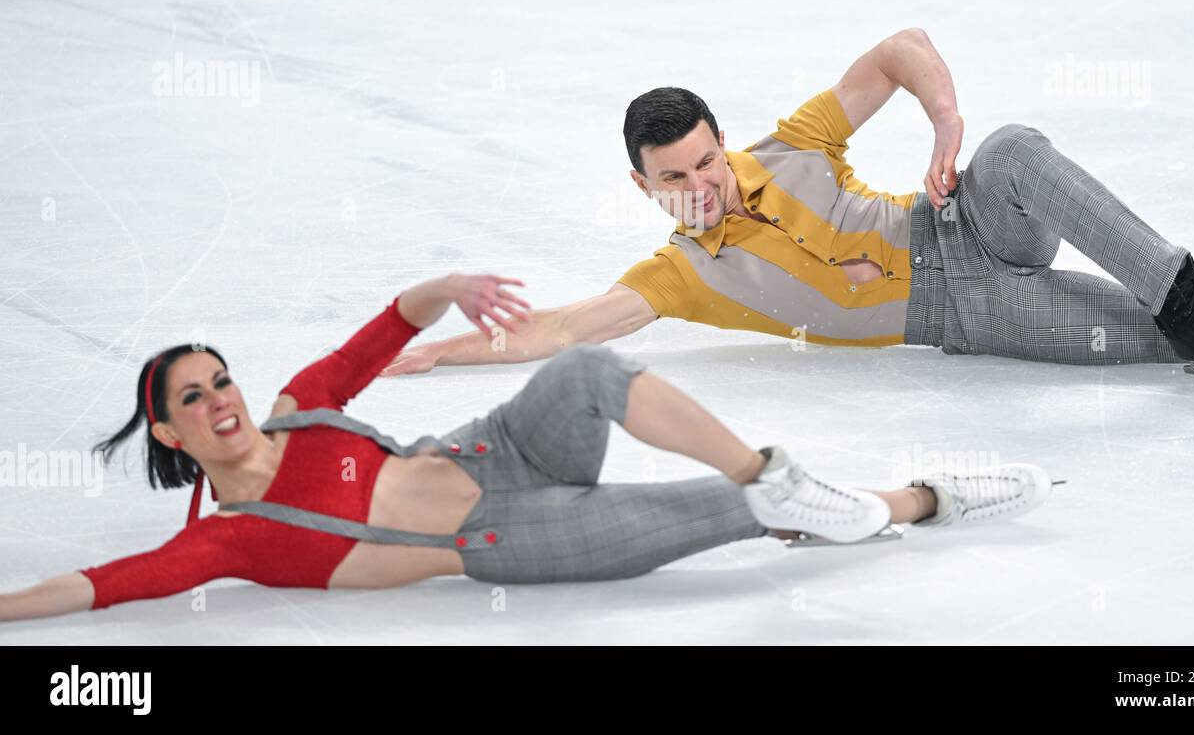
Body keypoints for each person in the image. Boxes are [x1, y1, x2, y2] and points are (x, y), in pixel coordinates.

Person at [0, 273, 1055, 622]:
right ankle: (924, 498)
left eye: (219, 375)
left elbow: (382, 328)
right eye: (196, 395)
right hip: (510, 531)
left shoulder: (298, 407)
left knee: (591, 373)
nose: (222, 396)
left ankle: (769, 470)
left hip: (494, 446)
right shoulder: (229, 540)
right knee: (723, 523)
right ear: (175, 433)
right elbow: (101, 584)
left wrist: (448, 287)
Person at [381, 29, 1194, 382]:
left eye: (707, 161)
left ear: (719, 139)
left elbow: (900, 49)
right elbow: (557, 329)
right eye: (677, 181)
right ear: (643, 188)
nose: (703, 188)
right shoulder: (680, 276)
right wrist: (431, 351)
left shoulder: (792, 145)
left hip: (960, 222)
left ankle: (1183, 292)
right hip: (964, 314)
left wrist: (944, 126)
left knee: (1013, 149)